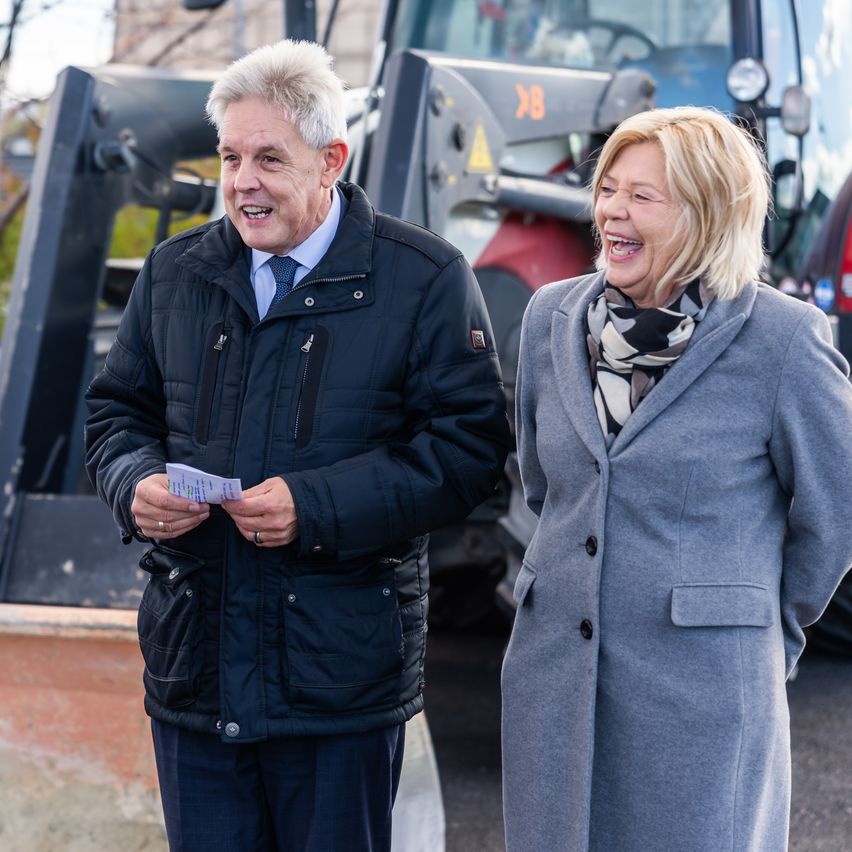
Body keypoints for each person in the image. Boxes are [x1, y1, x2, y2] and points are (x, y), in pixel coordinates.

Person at [85, 39, 510, 852]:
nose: (243, 181)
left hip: (337, 683)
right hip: (195, 671)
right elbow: (114, 416)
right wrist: (132, 483)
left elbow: (469, 454)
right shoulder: (175, 272)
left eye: (269, 158)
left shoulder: (423, 278)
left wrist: (312, 507)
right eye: (231, 157)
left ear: (330, 160)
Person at [501, 106, 852, 852]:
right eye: (609, 189)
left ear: (707, 214)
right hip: (553, 679)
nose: (612, 212)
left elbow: (839, 511)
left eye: (642, 197)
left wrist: (760, 627)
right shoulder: (547, 318)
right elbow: (549, 486)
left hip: (705, 688)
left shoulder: (784, 341)